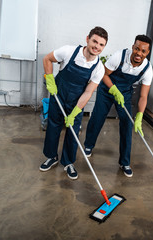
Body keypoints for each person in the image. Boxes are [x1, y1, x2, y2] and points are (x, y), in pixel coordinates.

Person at [39, 26, 108, 180]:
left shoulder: (99, 68)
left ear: (104, 47)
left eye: (101, 44)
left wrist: (76, 111)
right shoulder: (69, 51)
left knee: (73, 131)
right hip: (59, 95)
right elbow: (47, 59)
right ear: (87, 39)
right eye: (94, 41)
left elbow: (88, 92)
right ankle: (51, 157)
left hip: (77, 102)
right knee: (53, 126)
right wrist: (49, 78)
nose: (97, 46)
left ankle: (69, 162)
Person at [84, 34, 153, 178]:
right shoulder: (119, 56)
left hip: (125, 94)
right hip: (107, 89)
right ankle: (89, 145)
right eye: (137, 49)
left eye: (143, 51)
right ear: (133, 47)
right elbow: (104, 74)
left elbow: (143, 96)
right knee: (98, 117)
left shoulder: (147, 69)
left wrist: (140, 115)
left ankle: (124, 162)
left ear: (147, 53)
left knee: (127, 123)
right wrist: (114, 90)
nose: (139, 53)